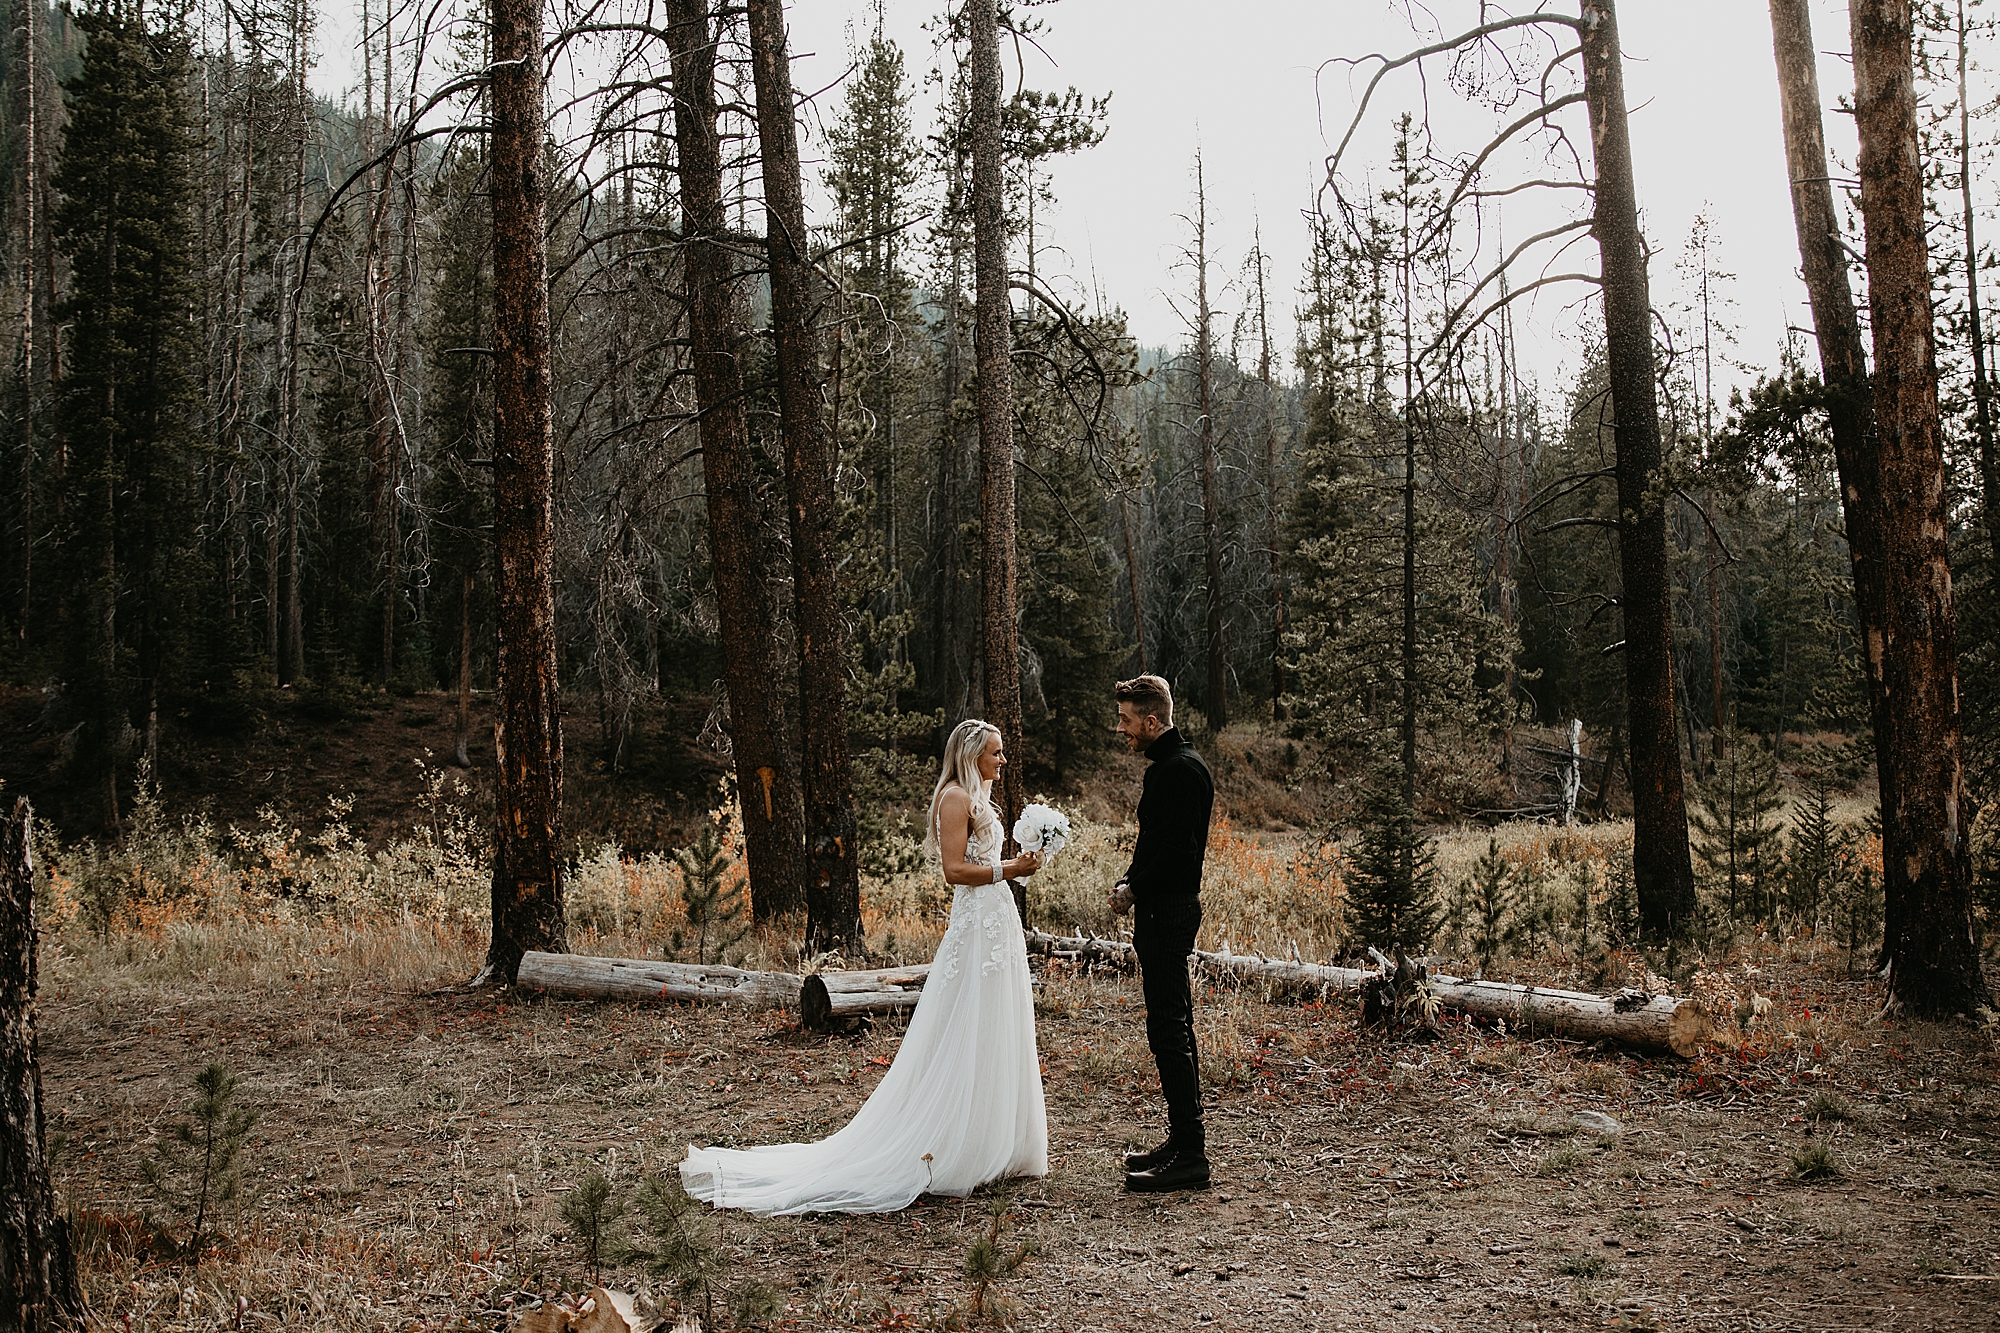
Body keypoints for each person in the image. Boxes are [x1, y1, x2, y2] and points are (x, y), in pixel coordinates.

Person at [679, 719, 1046, 1214]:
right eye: (996, 753)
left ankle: (999, 1139)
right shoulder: (956, 797)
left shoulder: (981, 796)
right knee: (967, 1020)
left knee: (998, 1020)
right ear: (971, 754)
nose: (1003, 761)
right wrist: (1010, 869)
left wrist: (1021, 862)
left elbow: (982, 860)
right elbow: (954, 872)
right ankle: (957, 1144)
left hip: (996, 917)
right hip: (976, 921)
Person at [1108, 674, 1216, 1193]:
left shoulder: (1177, 771)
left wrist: (1133, 890)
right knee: (1168, 1027)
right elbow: (1158, 843)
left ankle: (1190, 1155)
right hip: (1163, 909)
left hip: (1168, 912)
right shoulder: (1175, 766)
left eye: (1127, 720)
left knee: (1170, 1029)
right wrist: (1131, 880)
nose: (1121, 729)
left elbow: (1175, 853)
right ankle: (1181, 1141)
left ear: (1153, 721)